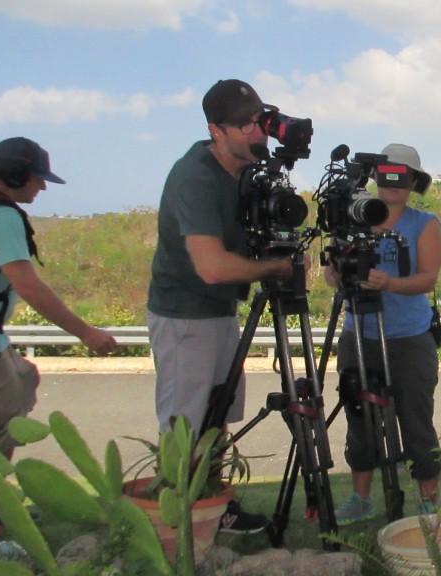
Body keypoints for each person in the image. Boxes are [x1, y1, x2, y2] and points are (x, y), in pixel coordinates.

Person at [146, 79, 299, 534]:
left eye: (262, 122)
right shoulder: (194, 176)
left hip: (219, 310)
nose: (259, 134)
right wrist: (275, 269)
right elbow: (211, 267)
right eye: (247, 125)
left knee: (217, 413)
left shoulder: (248, 171)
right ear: (216, 130)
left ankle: (213, 502)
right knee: (186, 422)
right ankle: (177, 519)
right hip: (184, 313)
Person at [0, 137, 117, 527]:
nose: (41, 187)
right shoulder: (0, 215)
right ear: (17, 174)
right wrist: (86, 332)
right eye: (38, 179)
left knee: (21, 385)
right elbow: (30, 286)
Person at [326, 143, 441, 525]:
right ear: (375, 176)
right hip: (358, 334)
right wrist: (339, 269)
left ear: (412, 183)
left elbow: (428, 278)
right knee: (360, 420)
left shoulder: (424, 223)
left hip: (409, 338)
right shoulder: (349, 219)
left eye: (402, 177)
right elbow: (331, 276)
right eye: (386, 174)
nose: (393, 184)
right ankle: (361, 499)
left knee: (415, 422)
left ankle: (428, 504)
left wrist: (388, 283)